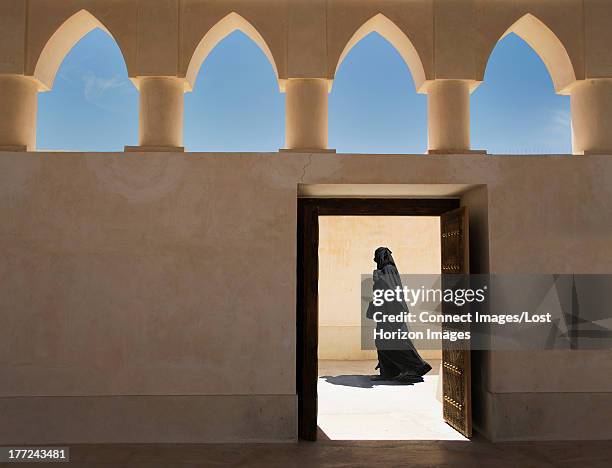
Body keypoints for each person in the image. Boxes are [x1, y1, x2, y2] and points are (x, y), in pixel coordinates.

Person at [367, 247, 432, 384]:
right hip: (385, 312)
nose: (375, 260)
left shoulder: (388, 269)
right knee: (382, 342)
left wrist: (378, 277)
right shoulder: (386, 270)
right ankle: (389, 372)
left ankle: (415, 368)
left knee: (397, 342)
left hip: (391, 314)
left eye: (377, 256)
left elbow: (390, 290)